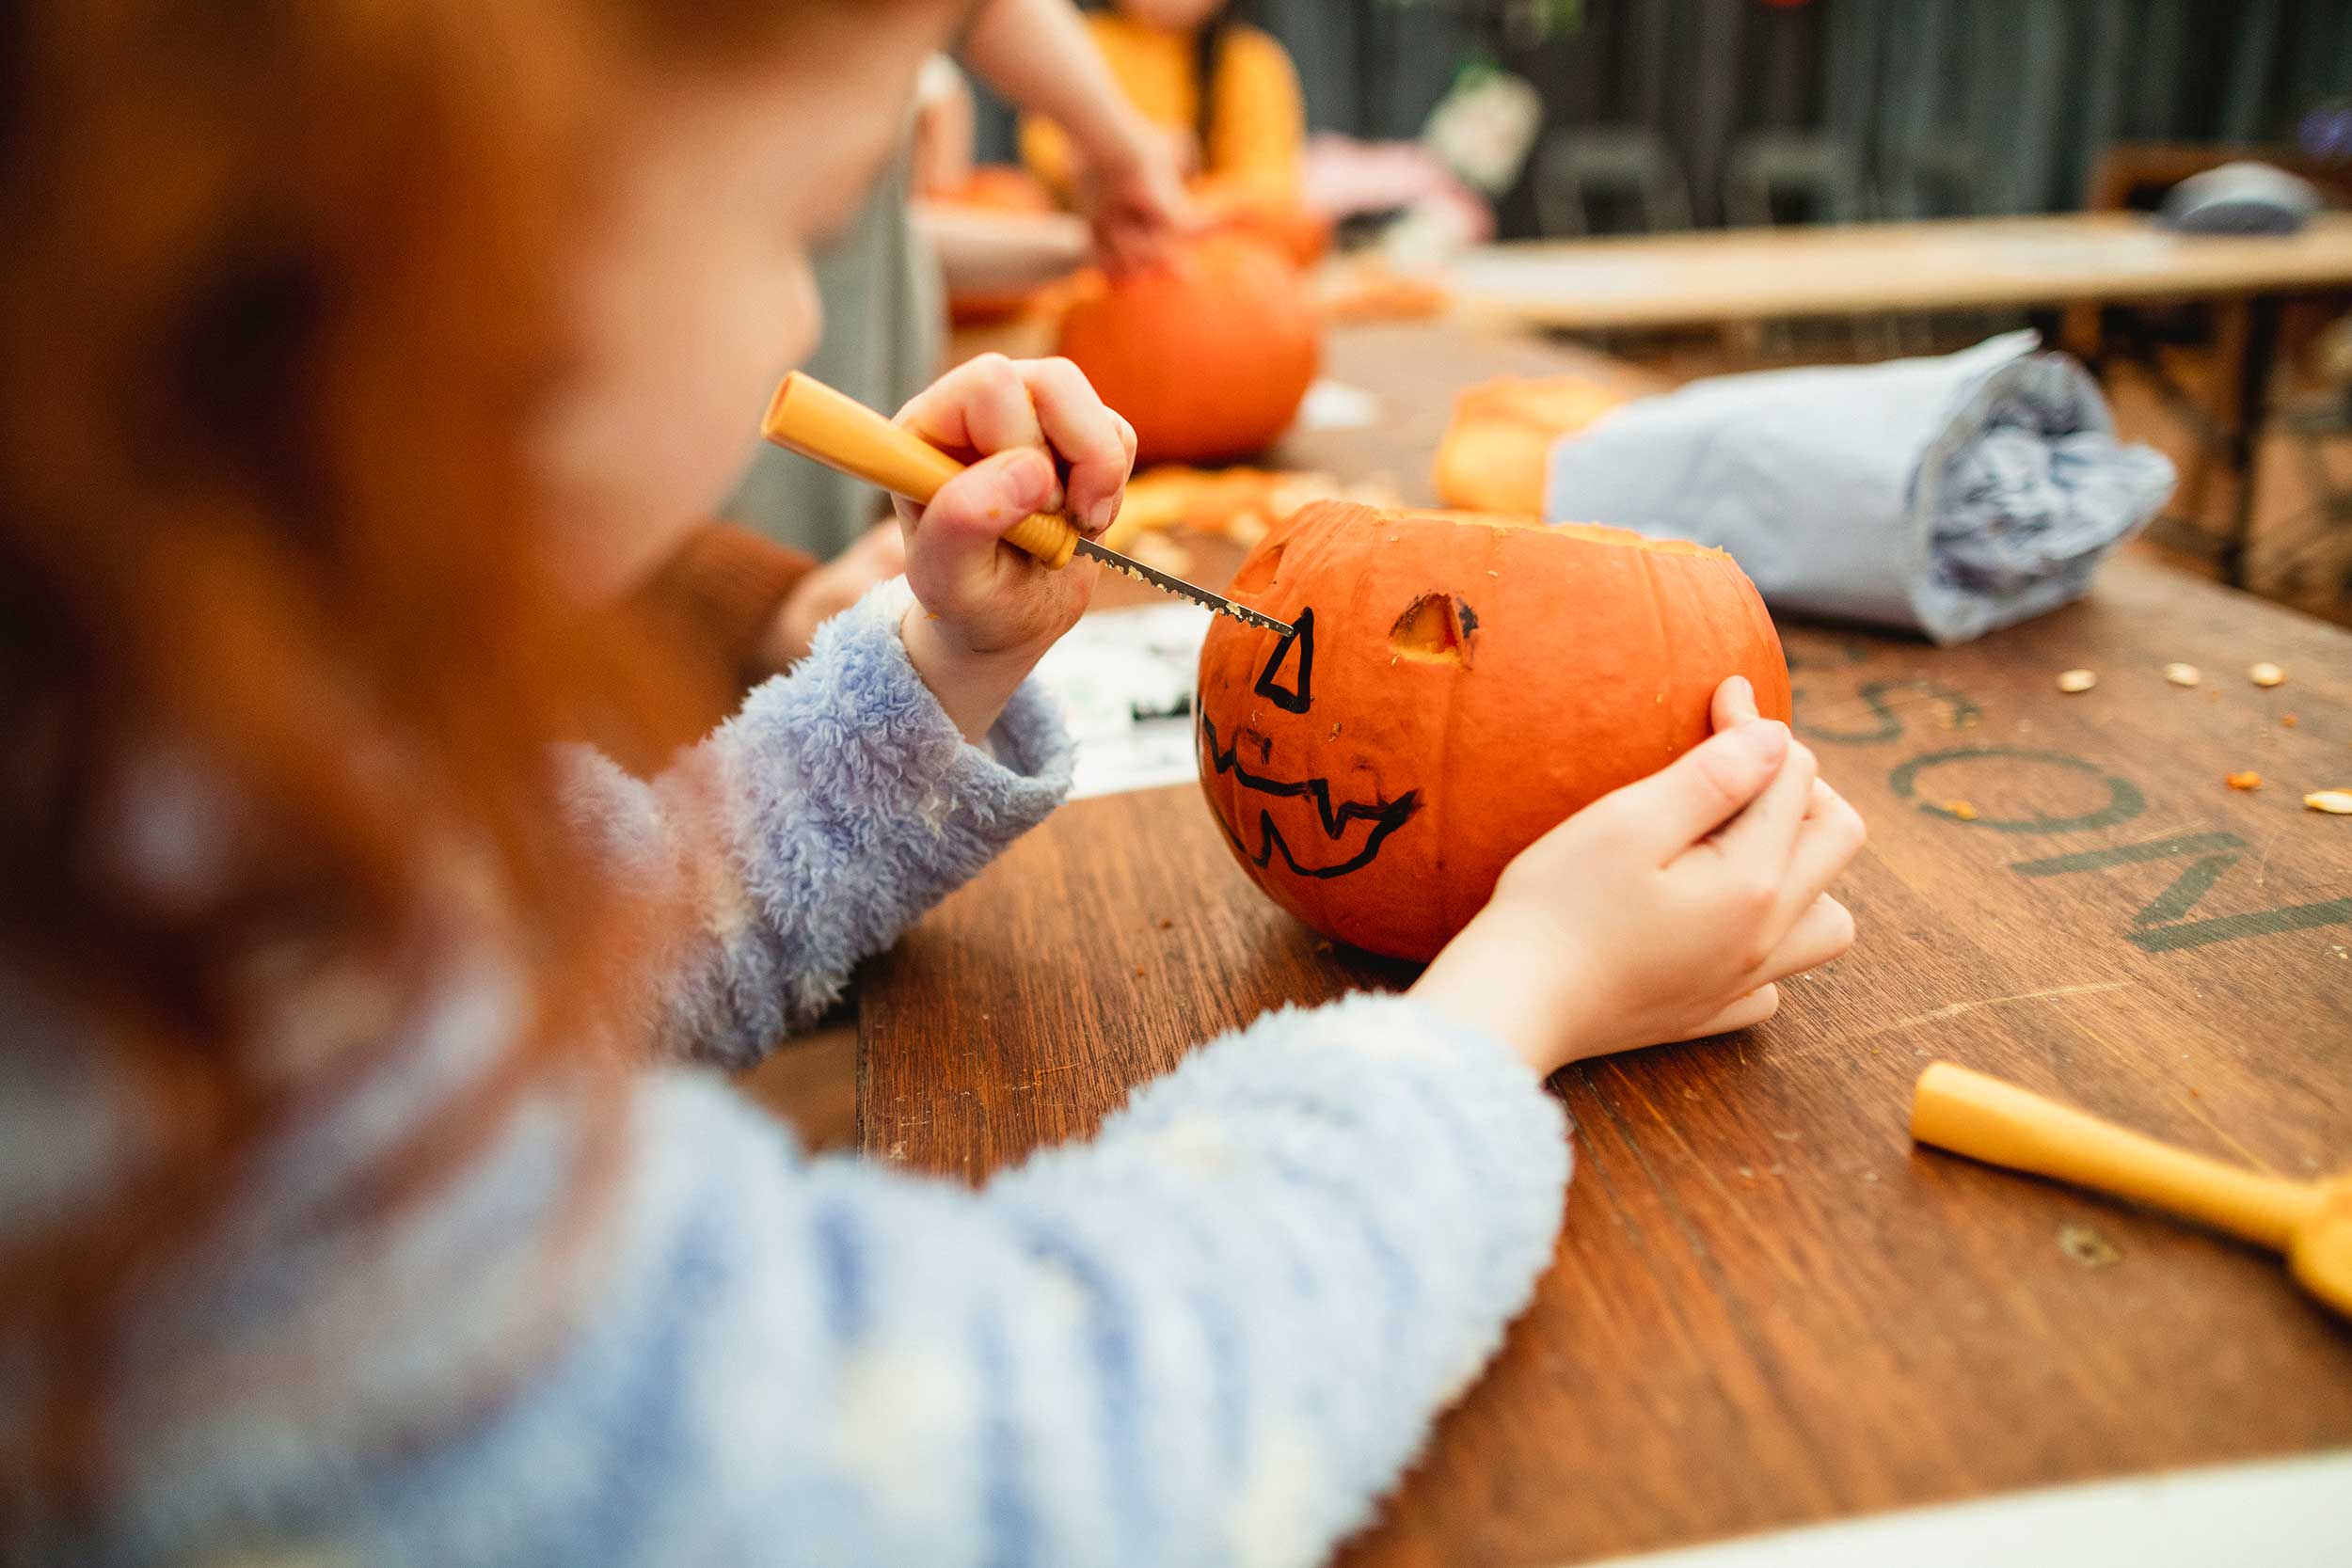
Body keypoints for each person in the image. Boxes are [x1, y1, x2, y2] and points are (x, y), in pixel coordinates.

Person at [0, 4, 1865, 1567]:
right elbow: (1006, 1454)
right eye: (800, 222)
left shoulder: (189, 771)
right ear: (464, 255)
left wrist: (937, 668)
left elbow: (606, 928)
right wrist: (1501, 1011)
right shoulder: (187, 1033)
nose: (809, 332)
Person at [725, 0, 1188, 588]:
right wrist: (1122, 146)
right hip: (742, 527)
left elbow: (889, 243)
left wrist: (1086, 237)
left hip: (822, 540)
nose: (801, 315)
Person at [1020, 0, 1308, 213]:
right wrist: (1125, 158)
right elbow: (1048, 149)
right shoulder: (1080, 42)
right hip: (1092, 231)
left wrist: (1185, 201)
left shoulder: (1250, 63)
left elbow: (1270, 186)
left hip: (1213, 240)